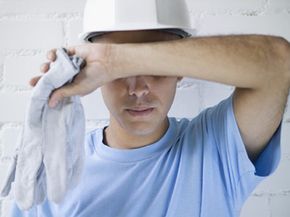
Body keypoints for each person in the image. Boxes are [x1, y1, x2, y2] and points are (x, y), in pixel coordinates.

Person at [9, 0, 290, 216]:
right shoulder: (56, 171)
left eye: (154, 66)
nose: (138, 89)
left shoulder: (217, 149)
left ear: (180, 68)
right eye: (120, 71)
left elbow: (278, 63)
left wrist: (112, 59)